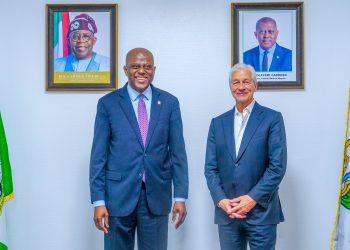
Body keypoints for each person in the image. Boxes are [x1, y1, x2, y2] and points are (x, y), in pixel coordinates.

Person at [89, 48, 189, 250]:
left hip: (156, 197)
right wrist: (98, 201)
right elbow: (98, 157)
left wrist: (180, 197)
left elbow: (178, 154)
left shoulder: (169, 103)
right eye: (135, 66)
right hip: (117, 197)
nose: (141, 71)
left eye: (147, 66)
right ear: (126, 69)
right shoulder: (107, 104)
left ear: (154, 70)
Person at [204, 63, 287, 250]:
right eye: (236, 82)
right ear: (230, 87)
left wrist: (252, 198)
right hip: (228, 213)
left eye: (246, 82)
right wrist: (221, 201)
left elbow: (277, 166)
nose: (241, 87)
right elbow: (210, 168)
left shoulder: (272, 119)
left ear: (255, 86)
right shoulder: (217, 123)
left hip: (261, 212)